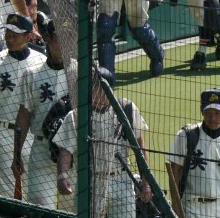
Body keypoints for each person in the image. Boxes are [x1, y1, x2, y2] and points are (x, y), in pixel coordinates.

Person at [53, 67, 152, 216]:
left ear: (104, 88)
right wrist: (63, 176)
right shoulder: (77, 115)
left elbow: (140, 147)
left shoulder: (126, 109)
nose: (88, 90)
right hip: (89, 181)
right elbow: (65, 151)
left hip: (121, 180)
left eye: (93, 86)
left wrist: (147, 180)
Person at [0, 13, 45, 199]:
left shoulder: (41, 61)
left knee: (35, 190)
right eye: (8, 33)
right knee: (8, 190)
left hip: (33, 133)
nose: (9, 38)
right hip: (3, 131)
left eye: (15, 34)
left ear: (29, 36)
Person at [12, 13, 69, 208]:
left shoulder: (81, 72)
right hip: (41, 148)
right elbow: (24, 116)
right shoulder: (32, 74)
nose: (67, 42)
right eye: (62, 37)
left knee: (73, 209)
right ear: (48, 39)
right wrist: (17, 153)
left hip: (73, 150)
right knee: (39, 207)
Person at [167, 88, 220, 217]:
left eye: (217, 112)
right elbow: (175, 170)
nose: (212, 117)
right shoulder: (186, 135)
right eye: (208, 112)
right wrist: (176, 205)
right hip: (191, 207)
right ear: (201, 111)